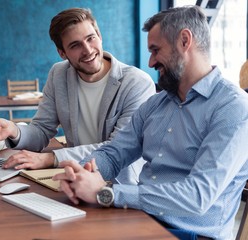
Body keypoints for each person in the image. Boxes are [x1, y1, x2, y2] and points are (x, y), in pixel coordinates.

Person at [53, 6, 248, 240]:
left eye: (156, 50)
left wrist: (107, 193)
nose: (151, 61)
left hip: (189, 234)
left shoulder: (234, 108)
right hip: (140, 219)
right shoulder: (156, 104)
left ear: (185, 41)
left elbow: (197, 197)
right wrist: (81, 173)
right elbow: (114, 153)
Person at [0, 8, 155, 184]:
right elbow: (41, 130)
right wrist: (14, 130)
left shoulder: (136, 83)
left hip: (119, 185)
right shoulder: (59, 74)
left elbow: (116, 149)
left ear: (99, 36)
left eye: (90, 38)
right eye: (75, 45)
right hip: (75, 180)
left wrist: (51, 159)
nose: (87, 50)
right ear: (62, 52)